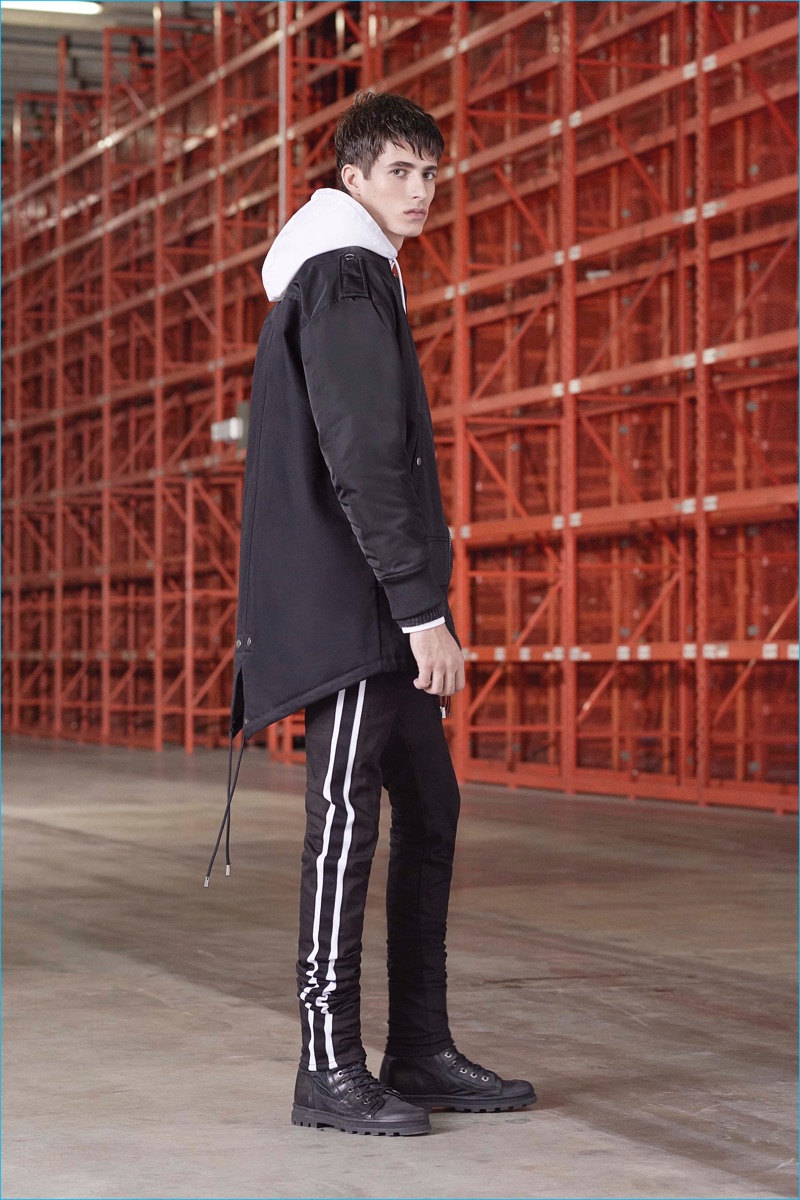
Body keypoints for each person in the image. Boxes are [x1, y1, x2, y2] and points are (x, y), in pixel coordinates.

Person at [206, 91, 536, 1136]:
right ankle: (326, 1067)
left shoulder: (360, 272)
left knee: (428, 809)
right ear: (351, 179)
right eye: (399, 171)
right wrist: (418, 606)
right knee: (345, 823)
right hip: (355, 608)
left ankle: (420, 1048)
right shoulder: (344, 270)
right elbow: (360, 454)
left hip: (375, 605)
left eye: (430, 173)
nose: (420, 190)